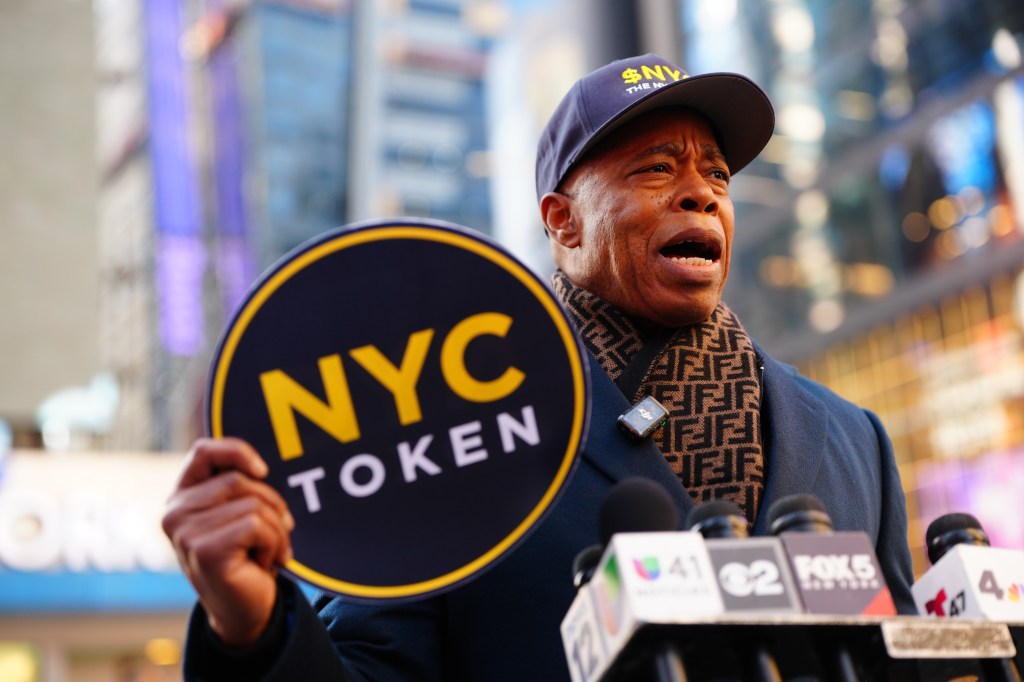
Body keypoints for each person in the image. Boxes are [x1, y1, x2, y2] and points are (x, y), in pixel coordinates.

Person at [164, 54, 915, 681]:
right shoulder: (454, 423)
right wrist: (252, 624)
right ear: (563, 221)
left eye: (717, 176)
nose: (701, 192)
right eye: (657, 169)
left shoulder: (855, 440)